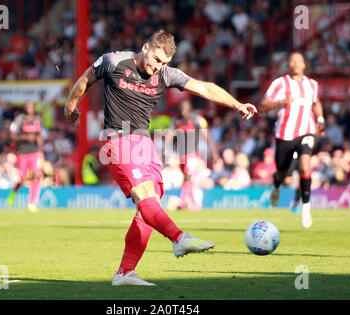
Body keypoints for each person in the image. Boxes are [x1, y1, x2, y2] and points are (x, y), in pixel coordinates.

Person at [64, 30, 257, 286]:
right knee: (144, 194)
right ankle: (179, 239)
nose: (158, 67)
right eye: (156, 59)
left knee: (148, 207)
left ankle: (125, 273)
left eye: (164, 63)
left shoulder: (166, 74)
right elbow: (85, 80)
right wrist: (70, 104)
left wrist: (237, 104)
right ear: (145, 47)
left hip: (144, 143)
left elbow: (203, 87)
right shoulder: (113, 61)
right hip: (117, 139)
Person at [260, 51, 324, 228]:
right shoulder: (280, 83)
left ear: (304, 65)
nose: (296, 63)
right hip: (285, 134)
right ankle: (276, 186)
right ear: (289, 65)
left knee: (305, 165)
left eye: (299, 61)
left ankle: (305, 207)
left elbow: (316, 102)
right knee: (281, 172)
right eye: (292, 61)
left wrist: (320, 119)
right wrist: (282, 101)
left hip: (307, 131)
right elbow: (263, 106)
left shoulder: (312, 84)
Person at [166, 99, 219, 211]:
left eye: (186, 109)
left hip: (192, 153)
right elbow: (170, 134)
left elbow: (206, 135)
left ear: (190, 109)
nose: (184, 112)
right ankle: (184, 201)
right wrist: (166, 148)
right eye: (182, 109)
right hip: (181, 154)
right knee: (185, 177)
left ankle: (191, 203)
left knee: (188, 175)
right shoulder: (176, 120)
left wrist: (214, 152)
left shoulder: (196, 119)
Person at [7, 101, 44, 213]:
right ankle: (14, 192)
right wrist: (25, 137)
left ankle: (32, 203)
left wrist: (40, 146)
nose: (30, 109)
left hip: (34, 152)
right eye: (27, 106)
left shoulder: (38, 120)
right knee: (22, 178)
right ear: (25, 108)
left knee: (36, 176)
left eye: (31, 106)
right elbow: (12, 135)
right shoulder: (20, 119)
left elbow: (40, 136)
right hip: (22, 152)